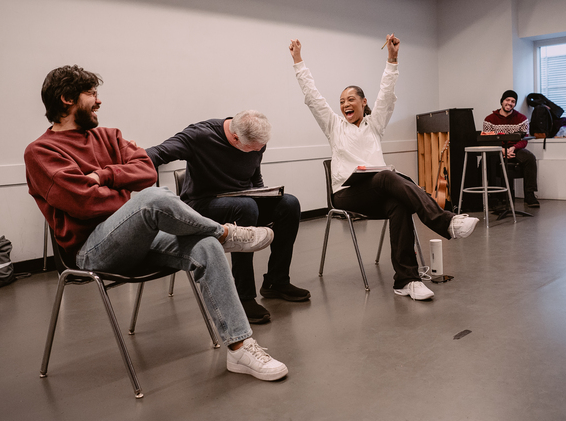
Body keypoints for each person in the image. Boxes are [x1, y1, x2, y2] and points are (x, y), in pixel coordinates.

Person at [24, 65, 288, 381]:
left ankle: (240, 349)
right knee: (152, 199)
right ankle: (225, 232)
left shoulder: (110, 137)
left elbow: (146, 170)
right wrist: (132, 201)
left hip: (141, 237)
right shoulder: (40, 152)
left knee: (200, 243)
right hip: (91, 250)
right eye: (92, 94)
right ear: (67, 99)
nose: (99, 101)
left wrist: (107, 175)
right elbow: (83, 202)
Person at [289, 35, 479, 301]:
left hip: (377, 190)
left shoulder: (374, 125)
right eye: (342, 100)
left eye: (351, 99)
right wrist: (298, 62)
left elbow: (386, 95)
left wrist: (392, 60)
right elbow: (312, 97)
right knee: (387, 175)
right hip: (346, 192)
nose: (345, 104)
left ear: (363, 103)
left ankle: (406, 281)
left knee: (398, 204)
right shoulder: (334, 127)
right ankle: (446, 222)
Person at [146, 111, 310, 324]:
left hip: (242, 199)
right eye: (254, 147)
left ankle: (276, 281)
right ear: (235, 138)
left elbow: (254, 176)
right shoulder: (200, 135)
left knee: (289, 203)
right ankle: (243, 296)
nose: (259, 150)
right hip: (202, 204)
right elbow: (156, 153)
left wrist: (265, 195)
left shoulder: (255, 140)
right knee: (246, 208)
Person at [483, 90, 539, 208]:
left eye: (513, 101)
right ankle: (493, 197)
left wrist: (512, 148)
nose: (510, 103)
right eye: (507, 100)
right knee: (486, 160)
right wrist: (501, 150)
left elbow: (523, 140)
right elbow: (487, 139)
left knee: (530, 158)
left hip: (515, 148)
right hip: (497, 148)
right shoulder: (489, 119)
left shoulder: (521, 118)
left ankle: (530, 194)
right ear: (502, 101)